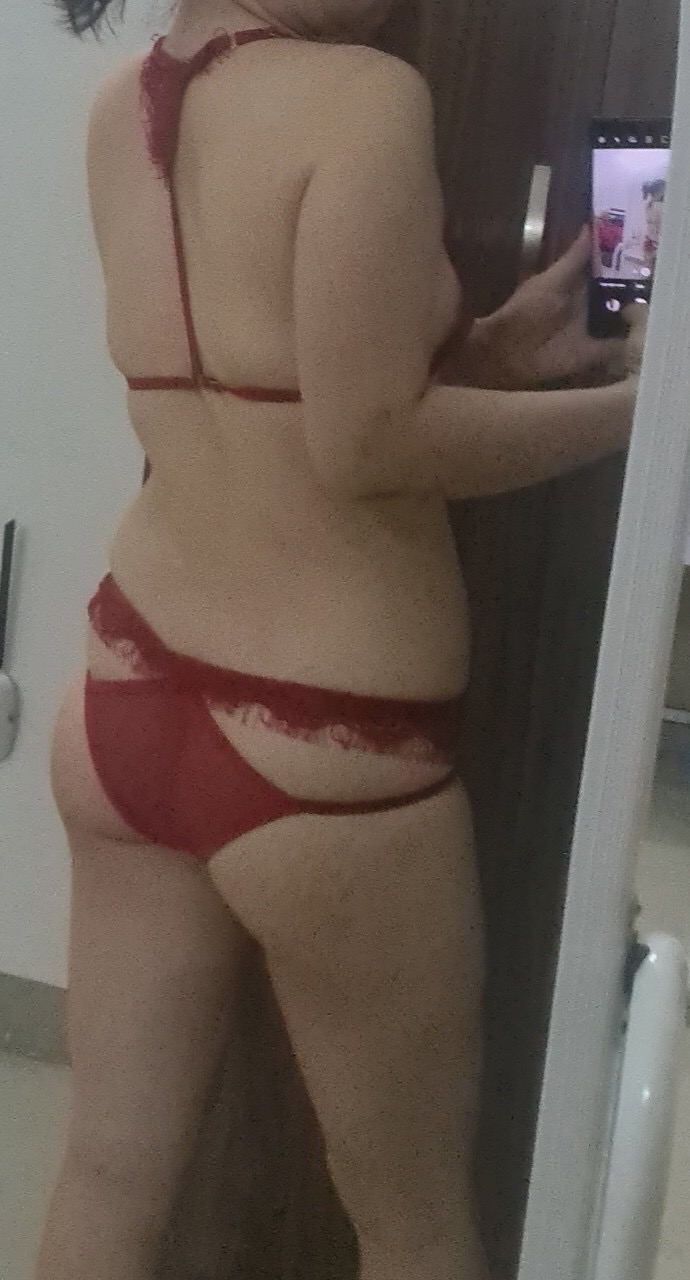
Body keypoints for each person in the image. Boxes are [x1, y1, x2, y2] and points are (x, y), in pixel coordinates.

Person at [39, 0, 647, 1278]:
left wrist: (500, 350)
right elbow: (366, 442)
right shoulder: (363, 100)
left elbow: (276, 393)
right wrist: (646, 415)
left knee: (105, 1176)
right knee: (413, 1223)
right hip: (326, 741)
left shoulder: (121, 109)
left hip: (128, 691)